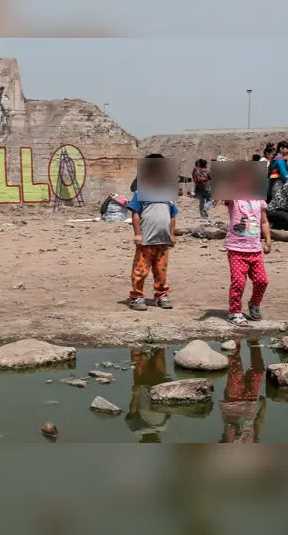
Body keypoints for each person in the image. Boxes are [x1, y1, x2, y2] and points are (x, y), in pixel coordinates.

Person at [126, 155, 178, 311]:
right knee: (140, 269)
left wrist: (172, 234)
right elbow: (135, 213)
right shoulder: (141, 192)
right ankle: (136, 297)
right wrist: (138, 234)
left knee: (161, 271)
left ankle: (161, 295)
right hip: (146, 240)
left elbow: (172, 215)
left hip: (163, 240)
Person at [223, 169, 271, 326]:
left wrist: (268, 241)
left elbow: (264, 222)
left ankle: (254, 304)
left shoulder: (259, 200)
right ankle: (235, 311)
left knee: (262, 281)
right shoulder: (234, 199)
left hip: (255, 249)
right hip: (236, 249)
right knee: (238, 281)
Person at [219, 340, 266, 443]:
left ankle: (235, 340)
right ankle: (254, 342)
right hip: (251, 400)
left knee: (235, 366)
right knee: (259, 371)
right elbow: (257, 423)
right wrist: (263, 407)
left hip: (232, 400)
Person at [125, 348, 170, 443]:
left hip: (159, 387)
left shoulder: (163, 426)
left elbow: (168, 409)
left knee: (158, 359)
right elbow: (133, 411)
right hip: (145, 387)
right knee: (143, 360)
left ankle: (154, 344)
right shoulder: (138, 430)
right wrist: (135, 394)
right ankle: (143, 347)